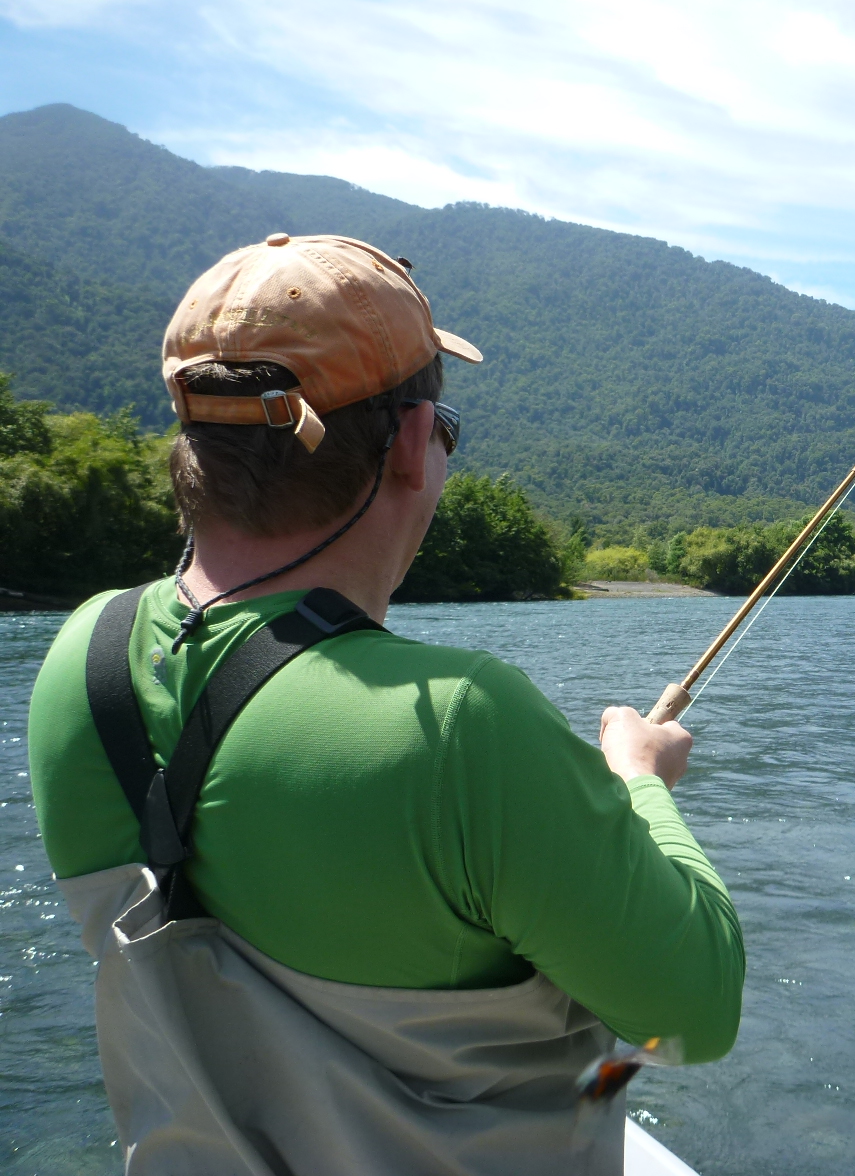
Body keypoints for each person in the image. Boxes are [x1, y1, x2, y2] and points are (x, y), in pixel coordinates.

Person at [27, 233, 744, 1175]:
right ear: (411, 442)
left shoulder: (85, 656)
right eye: (444, 429)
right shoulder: (459, 723)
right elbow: (694, 1017)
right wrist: (640, 783)